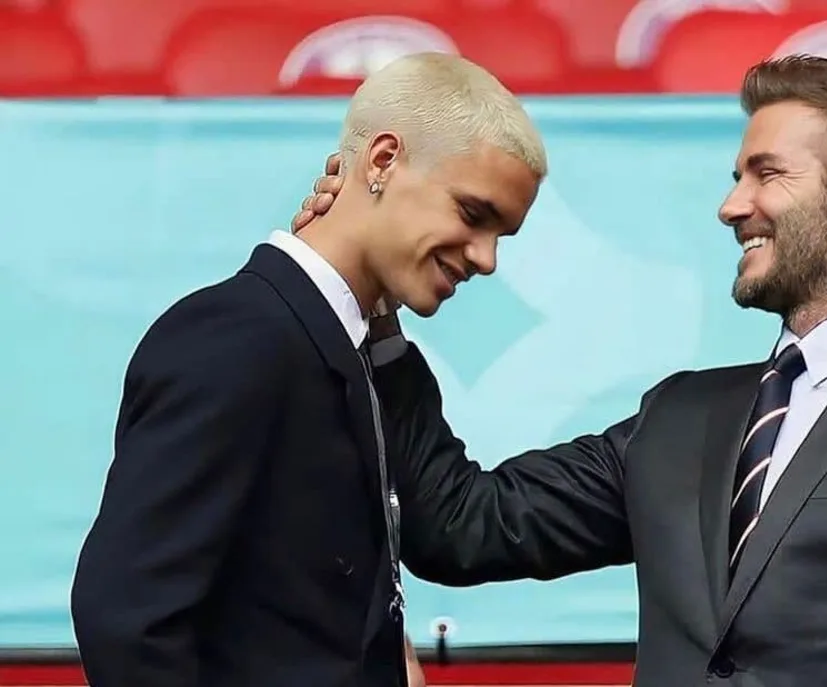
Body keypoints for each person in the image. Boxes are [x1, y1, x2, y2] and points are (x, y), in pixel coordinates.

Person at [297, 56, 827, 686]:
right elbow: (463, 526)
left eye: (765, 174)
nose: (731, 206)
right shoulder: (681, 416)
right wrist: (375, 317)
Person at [70, 52, 546, 687]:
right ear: (383, 161)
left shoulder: (345, 343)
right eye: (472, 214)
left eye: (502, 236)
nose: (487, 259)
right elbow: (127, 620)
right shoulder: (240, 337)